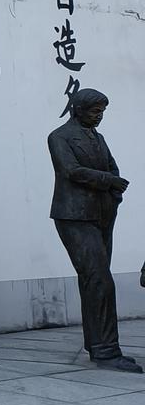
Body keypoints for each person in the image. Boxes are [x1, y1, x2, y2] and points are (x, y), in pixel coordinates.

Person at [48, 87, 141, 374]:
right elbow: (71, 171)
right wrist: (108, 182)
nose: (99, 116)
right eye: (94, 111)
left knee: (94, 281)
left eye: (102, 111)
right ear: (78, 109)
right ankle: (107, 351)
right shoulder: (59, 137)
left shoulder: (98, 138)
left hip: (102, 214)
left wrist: (114, 194)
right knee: (99, 280)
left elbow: (113, 168)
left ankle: (97, 345)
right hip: (74, 216)